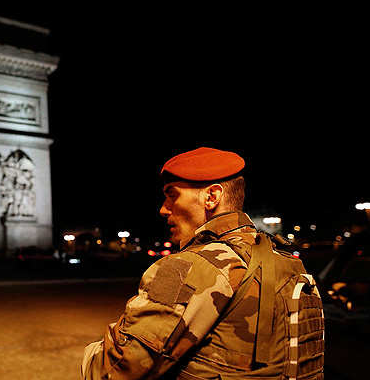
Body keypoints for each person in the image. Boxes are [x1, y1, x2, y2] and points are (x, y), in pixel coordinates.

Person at [81, 147, 324, 379]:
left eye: (172, 195)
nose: (163, 210)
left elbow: (109, 371)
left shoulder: (192, 266)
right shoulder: (283, 260)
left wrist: (92, 353)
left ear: (211, 197)